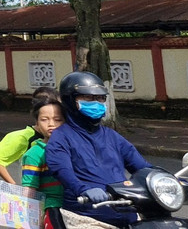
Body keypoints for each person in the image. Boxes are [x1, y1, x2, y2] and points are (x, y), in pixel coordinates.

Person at [45, 71, 149, 228]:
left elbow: (143, 167)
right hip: (87, 217)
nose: (97, 103)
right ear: (70, 101)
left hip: (128, 212)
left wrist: (174, 183)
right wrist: (83, 189)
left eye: (100, 98)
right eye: (88, 98)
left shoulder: (112, 136)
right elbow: (62, 170)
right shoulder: (61, 137)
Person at [0, 86, 61, 183]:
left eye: (57, 118)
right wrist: (12, 184)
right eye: (45, 118)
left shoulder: (60, 135)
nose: (51, 123)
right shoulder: (22, 137)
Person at [19, 98, 66, 225]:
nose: (51, 124)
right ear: (37, 123)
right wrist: (29, 219)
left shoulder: (75, 148)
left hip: (77, 205)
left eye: (58, 120)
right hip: (51, 207)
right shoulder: (34, 154)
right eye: (44, 120)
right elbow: (29, 189)